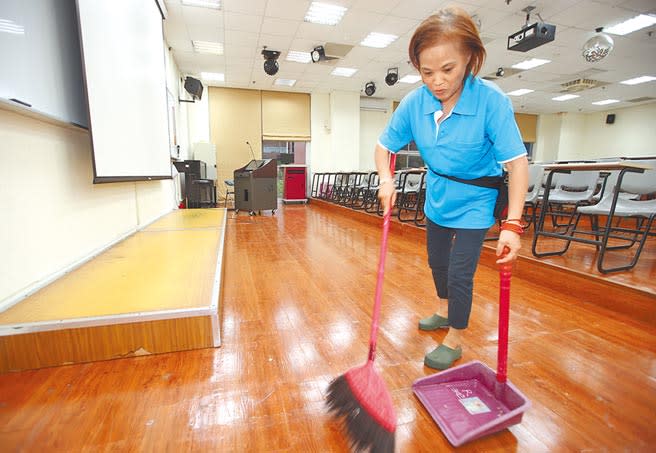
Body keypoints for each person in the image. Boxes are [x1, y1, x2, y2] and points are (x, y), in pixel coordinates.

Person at [375, 7, 529, 370]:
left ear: (470, 60)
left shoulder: (491, 102)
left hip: (477, 199)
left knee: (461, 272)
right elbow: (385, 147)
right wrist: (386, 177)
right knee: (437, 263)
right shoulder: (416, 102)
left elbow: (518, 163)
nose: (437, 81)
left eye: (448, 69)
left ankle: (456, 336)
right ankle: (444, 311)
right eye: (427, 72)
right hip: (438, 197)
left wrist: (513, 225)